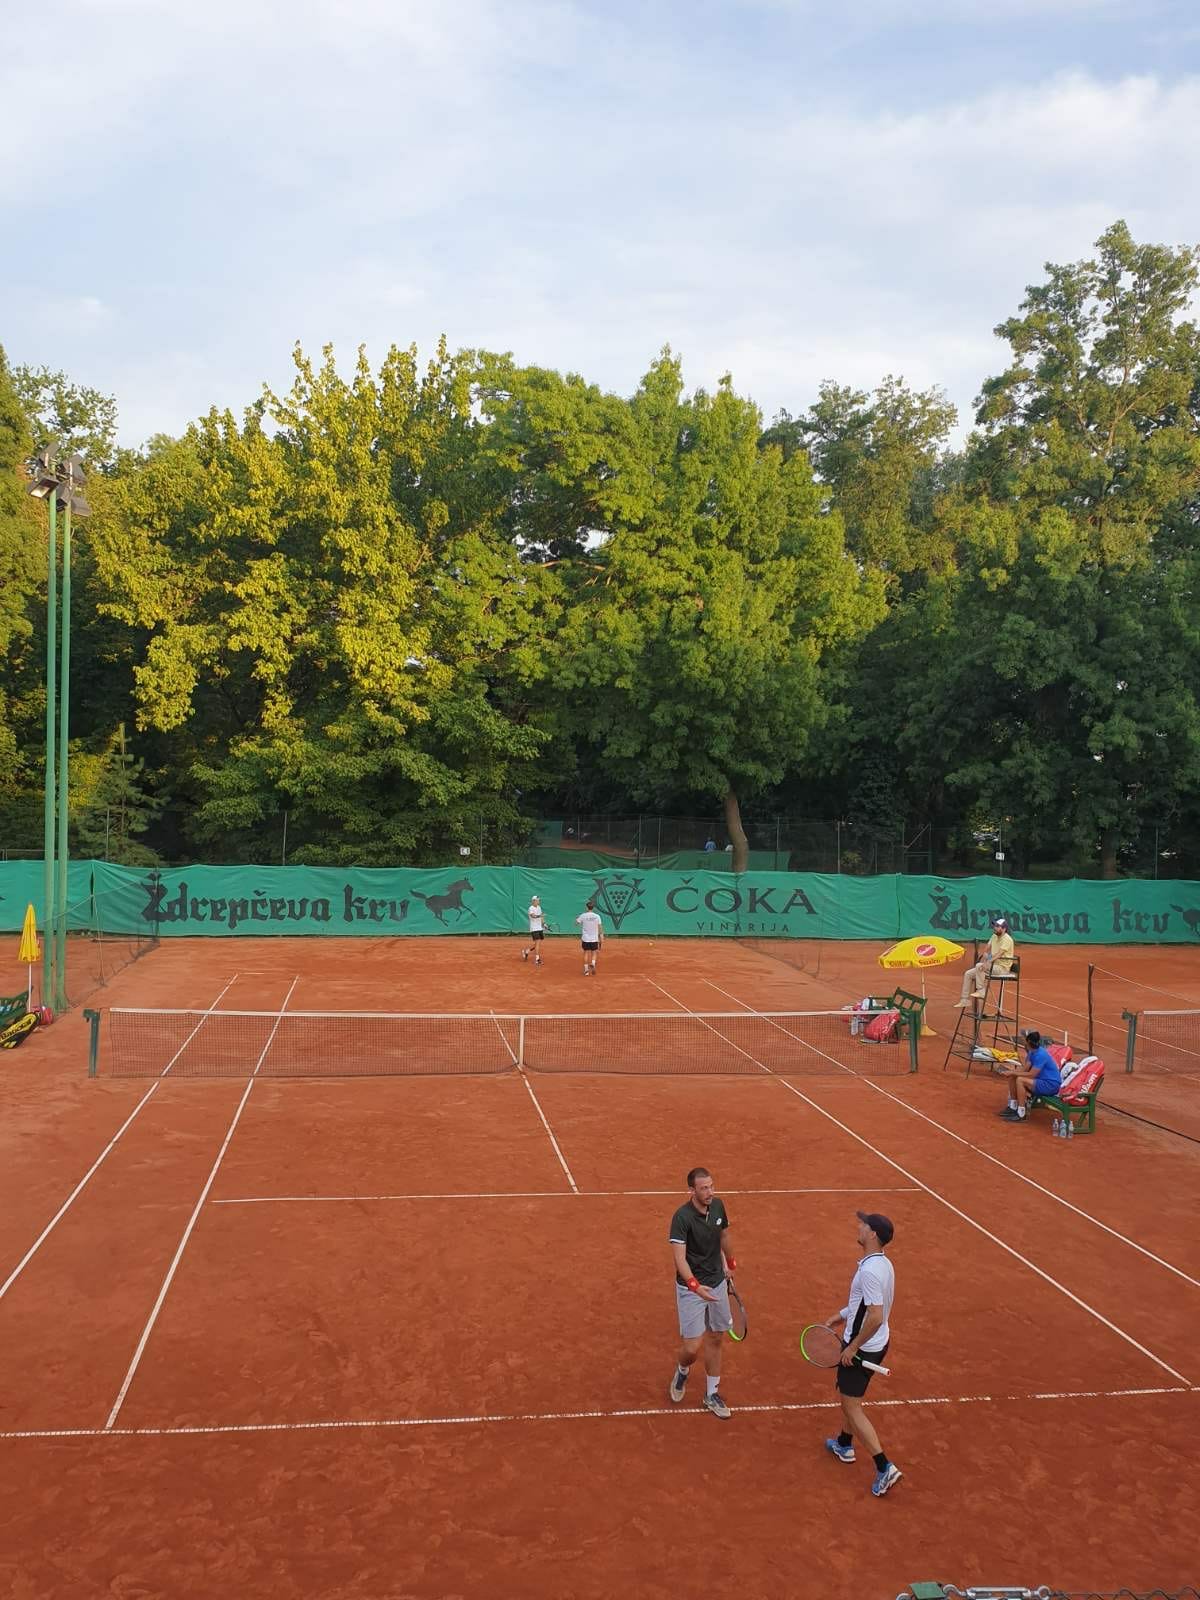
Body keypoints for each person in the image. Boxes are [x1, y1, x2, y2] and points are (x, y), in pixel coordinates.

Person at [823, 1212, 901, 1496]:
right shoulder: (883, 1264)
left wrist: (853, 1346)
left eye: (864, 1224)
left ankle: (884, 1467)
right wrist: (842, 1315)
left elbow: (876, 1315)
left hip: (862, 1349)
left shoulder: (869, 1271)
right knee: (850, 1397)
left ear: (873, 1234)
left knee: (851, 1407)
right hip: (878, 1343)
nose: (859, 1226)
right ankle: (844, 1444)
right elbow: (866, 1305)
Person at [667, 1167, 737, 1419]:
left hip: (716, 1282)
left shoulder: (718, 1206)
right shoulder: (681, 1218)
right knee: (692, 1348)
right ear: (692, 1191)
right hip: (691, 1289)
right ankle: (682, 1371)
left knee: (716, 1338)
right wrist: (696, 1287)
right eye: (704, 1188)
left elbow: (724, 1235)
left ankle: (711, 1394)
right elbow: (679, 1260)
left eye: (711, 1186)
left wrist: (730, 1263)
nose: (710, 1192)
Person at [997, 1028, 1061, 1122]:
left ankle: (1021, 1114)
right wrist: (1011, 1072)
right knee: (1013, 1077)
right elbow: (1024, 1069)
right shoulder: (1032, 1052)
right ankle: (1013, 1107)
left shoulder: (1041, 1055)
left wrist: (1012, 1072)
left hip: (1050, 1085)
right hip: (1041, 1081)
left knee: (1020, 1080)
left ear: (1028, 1042)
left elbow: (1031, 1075)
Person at [955, 916, 1015, 1007]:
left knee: (979, 966)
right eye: (994, 925)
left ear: (1004, 929)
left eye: (997, 926)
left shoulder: (1007, 939)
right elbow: (987, 948)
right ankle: (964, 1000)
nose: (994, 928)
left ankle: (981, 991)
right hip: (992, 966)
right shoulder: (994, 936)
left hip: (1002, 968)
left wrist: (987, 962)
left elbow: (999, 954)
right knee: (968, 974)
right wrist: (985, 955)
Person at [576, 899, 603, 976]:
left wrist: (578, 918)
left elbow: (576, 923)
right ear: (593, 908)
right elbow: (600, 927)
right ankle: (593, 963)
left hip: (585, 938)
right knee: (594, 952)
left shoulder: (583, 915)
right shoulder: (597, 916)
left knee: (585, 953)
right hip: (594, 938)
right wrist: (601, 935)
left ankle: (586, 971)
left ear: (586, 907)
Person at [521, 894, 546, 967]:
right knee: (537, 943)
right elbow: (533, 916)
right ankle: (537, 960)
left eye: (539, 900)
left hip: (539, 928)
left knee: (537, 944)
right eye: (537, 900)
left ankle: (526, 951)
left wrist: (544, 924)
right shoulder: (531, 908)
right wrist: (540, 916)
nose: (538, 901)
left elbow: (541, 917)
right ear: (533, 901)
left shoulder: (539, 907)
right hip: (534, 928)